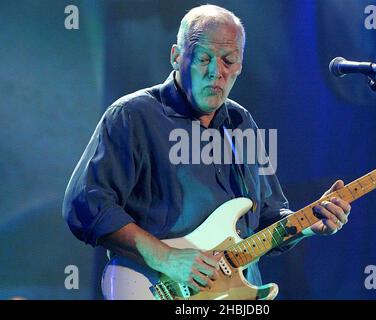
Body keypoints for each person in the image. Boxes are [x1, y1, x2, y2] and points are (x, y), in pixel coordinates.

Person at [62, 4, 351, 298]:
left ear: (240, 64)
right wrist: (165, 257)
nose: (217, 72)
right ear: (176, 57)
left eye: (229, 61)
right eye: (203, 58)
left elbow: (265, 215)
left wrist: (307, 224)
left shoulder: (242, 123)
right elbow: (86, 203)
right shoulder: (133, 116)